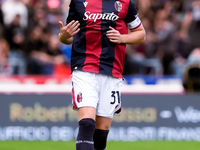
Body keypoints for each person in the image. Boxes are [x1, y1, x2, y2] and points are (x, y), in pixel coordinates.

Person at [58, 0, 145, 150]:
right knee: (86, 124)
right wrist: (63, 36)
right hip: (84, 68)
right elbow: (67, 37)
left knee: (101, 134)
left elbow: (141, 34)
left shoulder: (125, 3)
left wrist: (122, 38)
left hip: (112, 71)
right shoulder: (78, 2)